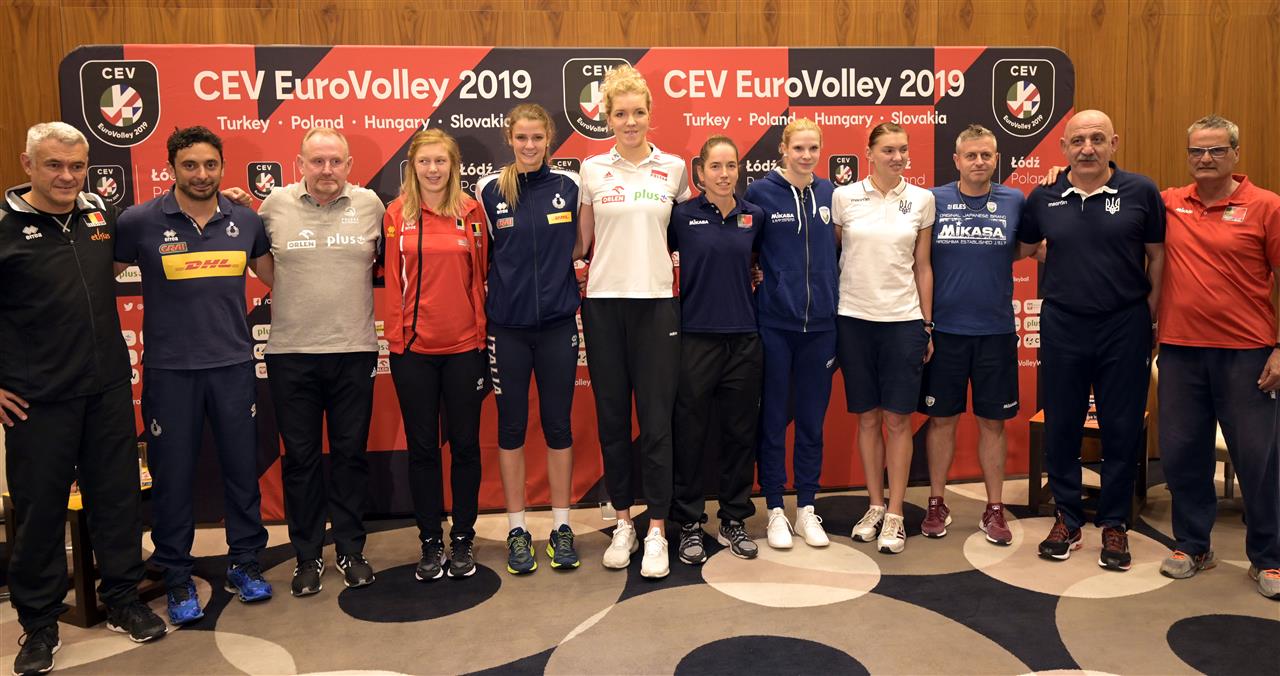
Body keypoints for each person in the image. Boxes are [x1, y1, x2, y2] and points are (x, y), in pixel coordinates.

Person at [2, 122, 166, 675]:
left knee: (116, 500)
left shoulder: (99, 215)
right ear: (28, 164)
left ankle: (122, 599)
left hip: (107, 389)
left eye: (77, 166)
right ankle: (39, 624)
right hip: (36, 399)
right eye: (54, 165)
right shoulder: (3, 226)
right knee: (40, 512)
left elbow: (157, 226)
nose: (67, 176)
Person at [113, 126, 274, 623]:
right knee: (172, 478)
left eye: (210, 165)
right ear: (172, 169)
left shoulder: (245, 219)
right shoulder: (138, 221)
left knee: (242, 472)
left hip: (233, 367)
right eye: (190, 165)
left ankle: (245, 563)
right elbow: (95, 283)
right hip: (170, 371)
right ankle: (177, 575)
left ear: (222, 167)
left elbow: (276, 276)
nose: (201, 174)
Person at [1017, 109, 1165, 571]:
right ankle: (1067, 517)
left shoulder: (1141, 191)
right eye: (1078, 141)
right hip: (1063, 323)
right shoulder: (1044, 196)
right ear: (1063, 147)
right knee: (1062, 424)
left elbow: (1157, 257)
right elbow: (1025, 247)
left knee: (1122, 427)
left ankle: (1115, 522)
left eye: (1097, 139)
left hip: (1125, 325)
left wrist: (1151, 316)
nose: (1087, 149)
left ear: (1113, 144)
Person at [255, 128, 385, 595]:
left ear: (348, 165)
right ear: (300, 164)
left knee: (350, 456)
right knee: (301, 460)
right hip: (291, 353)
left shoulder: (371, 205)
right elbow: (262, 267)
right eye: (317, 161)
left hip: (353, 350)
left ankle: (350, 549)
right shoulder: (273, 206)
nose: (326, 170)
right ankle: (307, 555)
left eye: (335, 161)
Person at [1154, 114, 1279, 598]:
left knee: (1259, 460)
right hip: (1181, 352)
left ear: (1235, 154)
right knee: (1183, 454)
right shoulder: (1169, 202)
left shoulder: (1266, 206)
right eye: (1197, 151)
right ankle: (1193, 545)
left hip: (1248, 355)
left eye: (1216, 150)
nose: (1205, 159)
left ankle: (1268, 558)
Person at [577, 65, 689, 578]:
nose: (629, 121)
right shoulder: (592, 170)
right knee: (613, 421)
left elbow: (688, 238)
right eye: (620, 113)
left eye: (638, 112)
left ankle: (658, 529)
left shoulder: (675, 169)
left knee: (658, 423)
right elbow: (581, 244)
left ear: (650, 114)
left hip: (657, 305)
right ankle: (623, 522)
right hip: (603, 306)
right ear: (607, 118)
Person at [475, 104, 583, 575]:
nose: (530, 145)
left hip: (558, 326)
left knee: (558, 427)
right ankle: (517, 530)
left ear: (549, 138)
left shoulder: (570, 186)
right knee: (512, 429)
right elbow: (485, 255)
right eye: (522, 137)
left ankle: (562, 527)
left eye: (537, 137)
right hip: (508, 330)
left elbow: (580, 245)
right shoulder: (489, 190)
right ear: (510, 138)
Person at [383, 129, 489, 582]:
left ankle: (462, 537)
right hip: (413, 351)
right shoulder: (395, 214)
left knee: (465, 447)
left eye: (440, 161)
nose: (432, 169)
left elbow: (480, 275)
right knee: (423, 450)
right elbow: (391, 277)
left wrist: (479, 335)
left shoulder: (471, 212)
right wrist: (398, 337)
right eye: (424, 161)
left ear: (453, 166)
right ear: (413, 166)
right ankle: (430, 539)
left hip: (465, 348)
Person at [918, 124, 1029, 546]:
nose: (979, 162)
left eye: (986, 155)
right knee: (941, 421)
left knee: (992, 423)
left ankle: (994, 508)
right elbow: (917, 258)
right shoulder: (934, 200)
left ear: (996, 158)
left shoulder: (1014, 200)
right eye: (971, 155)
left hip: (995, 332)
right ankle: (936, 502)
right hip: (945, 332)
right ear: (957, 160)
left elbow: (1026, 247)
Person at [833, 122, 936, 555]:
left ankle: (895, 512)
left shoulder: (922, 200)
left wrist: (926, 325)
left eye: (903, 150)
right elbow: (839, 254)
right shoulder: (844, 197)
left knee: (897, 421)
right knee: (868, 419)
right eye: (889, 150)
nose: (897, 157)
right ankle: (874, 505)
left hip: (903, 322)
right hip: (853, 320)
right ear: (869, 152)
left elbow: (923, 266)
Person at [668, 135, 767, 564]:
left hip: (744, 339)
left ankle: (733, 518)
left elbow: (760, 264)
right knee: (690, 435)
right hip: (695, 338)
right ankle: (690, 523)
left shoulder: (754, 215)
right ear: (700, 172)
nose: (724, 175)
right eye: (715, 167)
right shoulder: (681, 216)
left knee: (740, 434)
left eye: (731, 166)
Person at [745, 118, 838, 550]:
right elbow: (744, 248)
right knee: (772, 421)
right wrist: (761, 276)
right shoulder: (760, 193)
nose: (806, 155)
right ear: (783, 148)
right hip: (775, 324)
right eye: (798, 147)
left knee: (812, 423)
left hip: (821, 327)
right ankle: (775, 509)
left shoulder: (831, 194)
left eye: (813, 148)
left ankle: (806, 508)